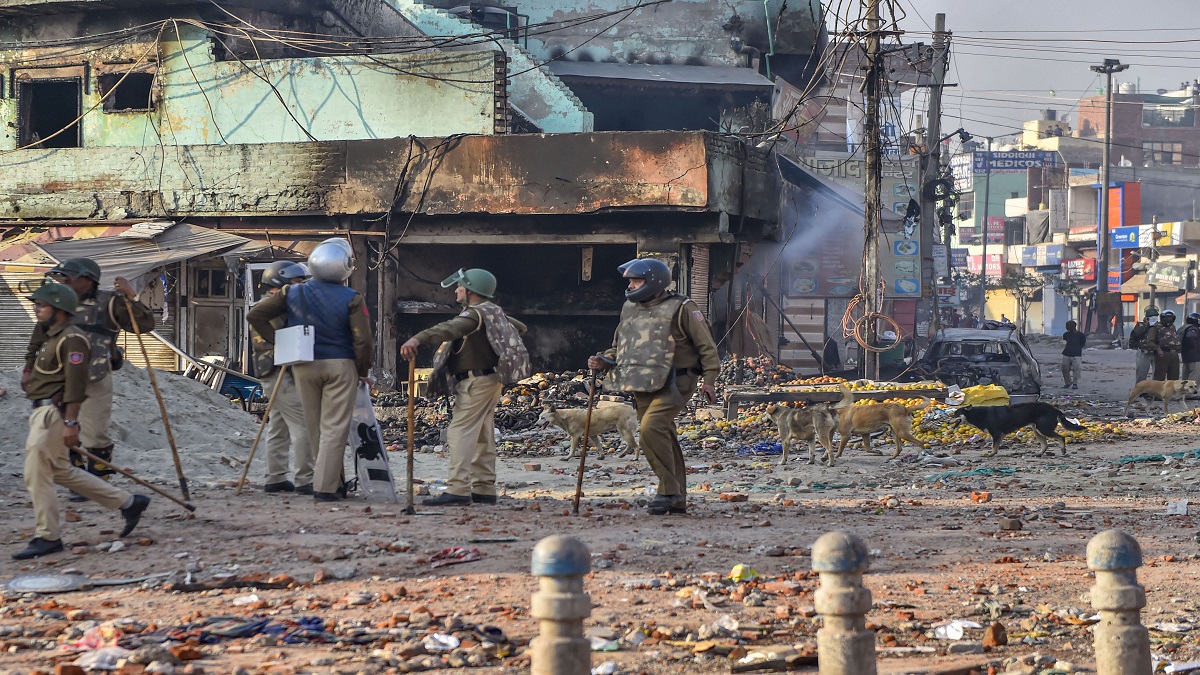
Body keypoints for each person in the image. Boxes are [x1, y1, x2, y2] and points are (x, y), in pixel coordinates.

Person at [16, 282, 149, 560]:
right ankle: (128, 502)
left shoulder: (72, 340)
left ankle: (48, 536)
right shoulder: (51, 334)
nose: (36, 309)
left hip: (56, 412)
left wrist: (71, 422)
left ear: (60, 311)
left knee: (36, 474)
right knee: (61, 471)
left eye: (42, 305)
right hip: (42, 410)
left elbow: (76, 386)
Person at [588, 259, 720, 516]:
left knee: (650, 429)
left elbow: (707, 346)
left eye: (635, 280)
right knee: (665, 436)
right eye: (630, 281)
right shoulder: (629, 308)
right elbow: (620, 345)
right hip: (641, 382)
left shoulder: (683, 308)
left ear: (653, 282)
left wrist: (710, 380)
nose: (630, 285)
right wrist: (603, 360)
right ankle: (677, 499)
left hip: (676, 381)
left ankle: (667, 491)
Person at [247, 240, 374, 502]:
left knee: (314, 427)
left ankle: (326, 480)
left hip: (303, 366)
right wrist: (362, 369)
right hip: (340, 365)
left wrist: (281, 342)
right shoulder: (352, 298)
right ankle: (325, 487)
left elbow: (255, 316)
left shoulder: (292, 294)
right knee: (334, 428)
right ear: (344, 267)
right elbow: (363, 340)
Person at [24, 258, 156, 502]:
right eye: (61, 277)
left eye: (69, 277)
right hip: (58, 379)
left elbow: (144, 325)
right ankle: (78, 481)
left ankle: (98, 482)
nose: (64, 281)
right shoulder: (58, 302)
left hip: (94, 377)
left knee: (95, 434)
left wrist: (132, 297)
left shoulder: (110, 303)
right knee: (63, 432)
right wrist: (29, 368)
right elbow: (39, 336)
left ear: (88, 279)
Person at [399, 269, 527, 506]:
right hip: (491, 380)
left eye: (459, 286)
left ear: (471, 291)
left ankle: (458, 489)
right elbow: (520, 327)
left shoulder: (473, 316)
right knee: (482, 435)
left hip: (476, 383)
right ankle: (483, 488)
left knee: (459, 433)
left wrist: (417, 338)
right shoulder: (491, 312)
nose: (456, 290)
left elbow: (449, 328)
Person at [249, 261, 314, 494]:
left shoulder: (277, 304)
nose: (302, 286)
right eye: (297, 282)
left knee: (279, 426)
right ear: (281, 282)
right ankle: (305, 479)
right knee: (303, 424)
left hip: (280, 371)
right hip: (279, 373)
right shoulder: (270, 306)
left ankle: (275, 477)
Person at [1145, 309, 1182, 381]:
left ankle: (1170, 392)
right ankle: (1156, 391)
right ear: (1162, 318)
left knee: (1174, 378)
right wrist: (1158, 350)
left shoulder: (1172, 327)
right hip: (1162, 354)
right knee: (1159, 377)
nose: (1169, 320)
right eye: (1167, 318)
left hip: (1174, 354)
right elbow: (1150, 341)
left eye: (1171, 318)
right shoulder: (1155, 327)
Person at [1129, 306, 1159, 383]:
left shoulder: (1159, 326)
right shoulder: (1141, 325)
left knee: (1157, 375)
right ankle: (1140, 390)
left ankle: (1155, 391)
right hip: (1144, 352)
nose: (1154, 318)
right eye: (1151, 317)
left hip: (1156, 352)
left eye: (1155, 316)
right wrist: (1147, 325)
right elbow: (1136, 334)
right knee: (1141, 374)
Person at [1061, 320, 1086, 389]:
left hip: (1076, 354)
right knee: (1065, 369)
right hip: (1066, 353)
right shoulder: (1066, 334)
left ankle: (1075, 383)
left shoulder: (1081, 335)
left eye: (1067, 326)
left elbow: (1082, 343)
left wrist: (1076, 348)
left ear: (1072, 326)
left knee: (1076, 369)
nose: (1066, 327)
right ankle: (1067, 382)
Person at [1182, 313, 1200, 382]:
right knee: (1195, 377)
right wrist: (1197, 347)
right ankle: (1190, 392)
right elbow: (1191, 337)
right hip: (1195, 357)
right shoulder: (1193, 328)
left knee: (1186, 376)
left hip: (1186, 356)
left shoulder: (1185, 327)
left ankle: (1184, 391)